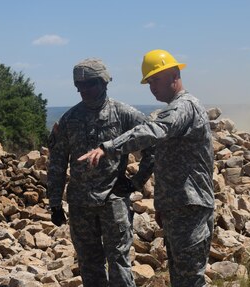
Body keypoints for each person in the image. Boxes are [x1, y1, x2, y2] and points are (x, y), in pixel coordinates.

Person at [78, 49, 215, 287]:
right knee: (181, 279)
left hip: (190, 209)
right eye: (149, 82)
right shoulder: (177, 106)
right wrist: (163, 205)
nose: (152, 87)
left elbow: (154, 130)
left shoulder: (184, 107)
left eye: (156, 79)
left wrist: (109, 147)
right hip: (179, 208)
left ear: (174, 74)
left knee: (190, 281)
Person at [47, 58, 154, 287]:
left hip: (112, 202)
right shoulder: (69, 120)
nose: (84, 90)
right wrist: (54, 203)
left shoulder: (124, 114)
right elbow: (57, 162)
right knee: (89, 264)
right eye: (80, 85)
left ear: (104, 82)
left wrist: (135, 183)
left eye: (90, 84)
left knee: (119, 263)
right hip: (80, 205)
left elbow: (152, 146)